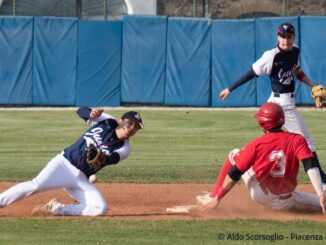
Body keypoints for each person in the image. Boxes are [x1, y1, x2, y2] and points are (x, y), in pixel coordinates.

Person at [219, 22, 326, 186]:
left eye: (288, 36)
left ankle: (257, 171)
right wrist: (230, 88)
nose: (285, 40)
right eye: (282, 37)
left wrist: (311, 84)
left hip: (282, 102)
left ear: (294, 37)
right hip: (281, 105)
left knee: (271, 143)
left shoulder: (295, 50)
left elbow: (297, 71)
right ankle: (323, 182)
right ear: (277, 37)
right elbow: (251, 73)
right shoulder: (271, 55)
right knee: (307, 142)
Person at [0, 107, 143, 216]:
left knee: (100, 209)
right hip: (63, 164)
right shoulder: (107, 121)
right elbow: (80, 111)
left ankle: (56, 208)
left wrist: (102, 157)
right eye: (130, 123)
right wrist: (91, 113)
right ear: (120, 121)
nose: (131, 128)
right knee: (35, 186)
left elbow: (113, 159)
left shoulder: (125, 148)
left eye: (136, 127)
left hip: (81, 179)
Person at [196, 102, 326, 214]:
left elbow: (235, 173)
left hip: (262, 196)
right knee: (322, 202)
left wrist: (218, 198)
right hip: (289, 200)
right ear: (283, 120)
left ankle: (211, 197)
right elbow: (310, 165)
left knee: (234, 154)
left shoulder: (256, 145)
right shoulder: (297, 140)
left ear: (262, 124)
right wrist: (320, 194)